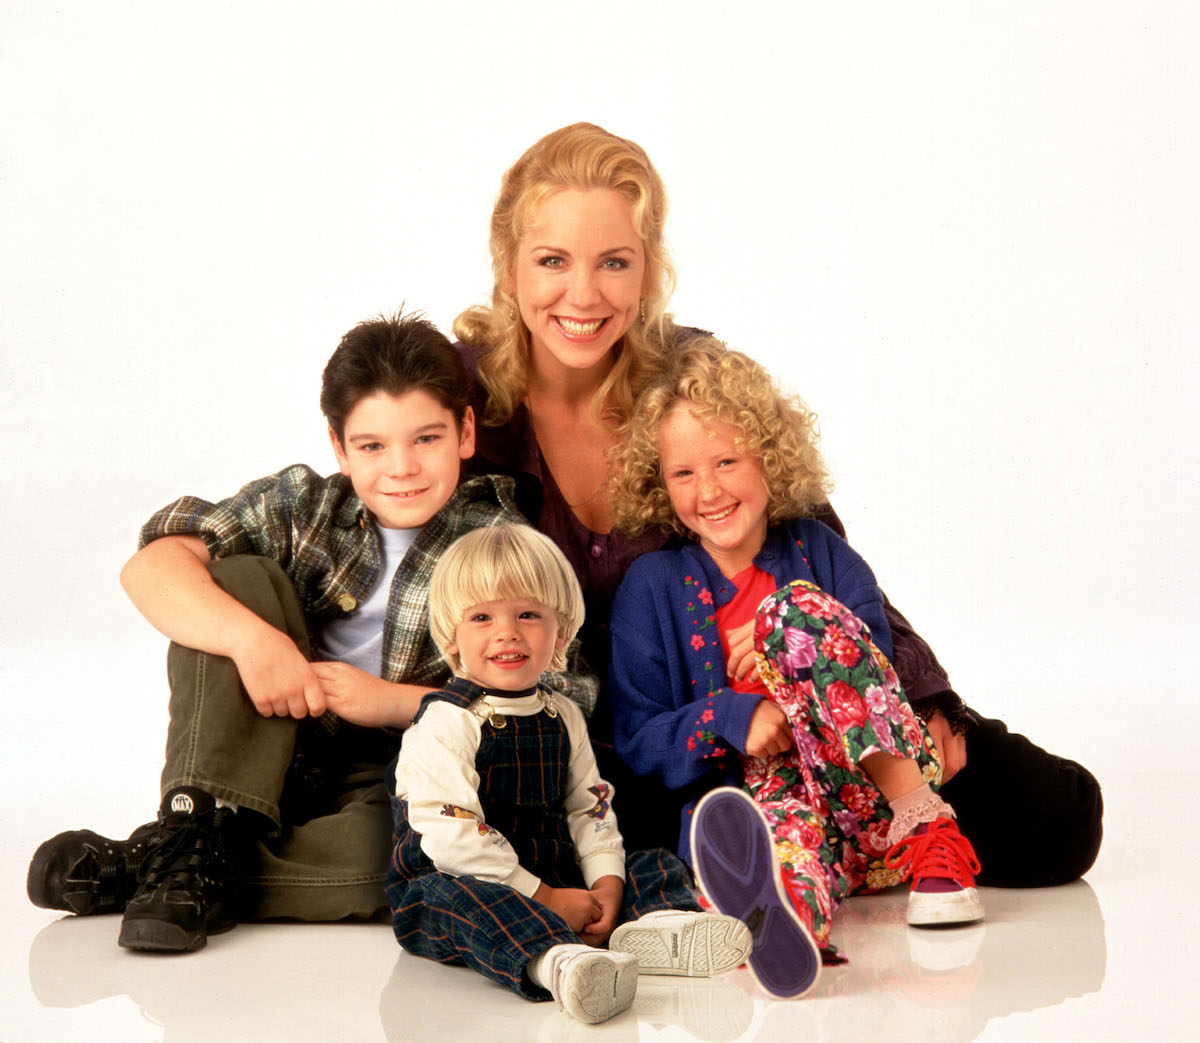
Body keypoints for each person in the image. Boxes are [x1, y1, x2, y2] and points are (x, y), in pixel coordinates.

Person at [454, 121, 1102, 884]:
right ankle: (802, 871)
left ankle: (872, 837)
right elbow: (366, 499)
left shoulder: (696, 376)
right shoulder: (462, 396)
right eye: (553, 261)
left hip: (780, 722)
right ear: (508, 265)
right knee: (608, 849)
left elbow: (816, 549)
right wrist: (269, 635)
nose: (584, 294)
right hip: (609, 749)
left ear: (649, 269)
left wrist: (918, 696)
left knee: (1057, 820)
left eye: (615, 262)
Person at [25, 312, 537, 953]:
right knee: (233, 578)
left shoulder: (503, 540)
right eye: (373, 446)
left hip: (392, 775)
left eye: (426, 439)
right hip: (271, 737)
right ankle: (198, 822)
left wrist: (394, 703)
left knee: (392, 868)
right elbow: (150, 567)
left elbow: (556, 700)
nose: (401, 467)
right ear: (339, 446)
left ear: (465, 432)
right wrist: (254, 641)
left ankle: (174, 866)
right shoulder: (305, 505)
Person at [606, 340, 987, 993]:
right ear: (659, 484)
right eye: (684, 474)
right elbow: (638, 738)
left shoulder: (819, 549)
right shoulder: (653, 585)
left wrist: (786, 648)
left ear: (769, 459)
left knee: (791, 615)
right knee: (770, 844)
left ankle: (925, 825)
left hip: (865, 788)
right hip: (777, 808)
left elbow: (872, 661)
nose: (711, 490)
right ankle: (782, 926)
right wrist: (733, 713)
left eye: (727, 461)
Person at [386, 524, 751, 1024]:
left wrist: (606, 885)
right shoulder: (446, 722)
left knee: (650, 857)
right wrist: (546, 899)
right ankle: (557, 963)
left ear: (560, 630)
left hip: (552, 874)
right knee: (458, 902)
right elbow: (454, 837)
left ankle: (660, 929)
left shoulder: (563, 714)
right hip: (461, 877)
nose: (507, 632)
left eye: (528, 614)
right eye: (482, 617)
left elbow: (589, 806)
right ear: (453, 633)